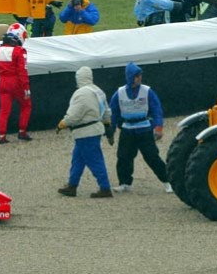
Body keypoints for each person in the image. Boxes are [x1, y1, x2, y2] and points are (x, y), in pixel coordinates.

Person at [109, 62, 172, 193]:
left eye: (140, 75)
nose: (140, 78)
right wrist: (111, 131)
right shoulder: (119, 93)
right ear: (130, 76)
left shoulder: (147, 91)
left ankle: (168, 181)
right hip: (127, 129)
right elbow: (113, 113)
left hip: (144, 129)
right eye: (137, 76)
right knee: (123, 157)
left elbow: (156, 110)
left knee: (152, 157)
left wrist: (158, 127)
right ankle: (125, 183)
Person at [56, 66, 114, 198]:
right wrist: (108, 126)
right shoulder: (98, 91)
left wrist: (62, 124)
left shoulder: (81, 93)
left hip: (85, 132)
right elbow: (106, 111)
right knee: (78, 159)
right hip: (95, 129)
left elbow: (74, 115)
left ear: (79, 78)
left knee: (95, 160)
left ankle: (105, 188)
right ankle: (72, 186)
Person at [0, 23, 32, 144]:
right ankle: (22, 131)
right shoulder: (19, 51)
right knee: (26, 106)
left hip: (2, 82)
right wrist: (26, 87)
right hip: (16, 83)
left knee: (4, 110)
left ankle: (2, 135)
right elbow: (22, 71)